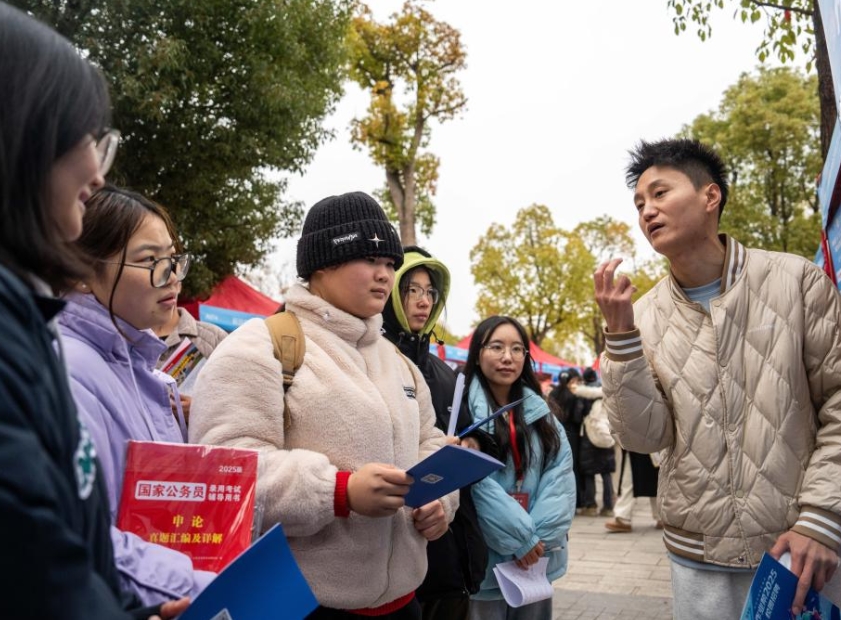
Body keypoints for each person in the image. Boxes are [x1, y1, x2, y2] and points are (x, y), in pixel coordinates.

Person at [593, 137, 841, 618]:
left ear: (711, 197)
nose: (647, 211)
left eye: (661, 193)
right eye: (640, 203)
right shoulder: (642, 315)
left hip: (805, 554)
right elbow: (643, 437)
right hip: (701, 561)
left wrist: (821, 520)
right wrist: (621, 338)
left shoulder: (795, 281)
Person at [0, 5, 186, 618]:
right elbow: (44, 563)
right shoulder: (47, 353)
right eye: (82, 137)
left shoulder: (34, 329)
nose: (96, 170)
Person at [190, 191, 456, 619]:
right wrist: (338, 491)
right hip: (301, 605)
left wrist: (440, 502)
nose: (384, 275)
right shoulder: (260, 347)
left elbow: (430, 441)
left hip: (405, 603)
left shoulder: (401, 364)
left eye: (389, 263)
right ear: (321, 263)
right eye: (369, 260)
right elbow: (223, 474)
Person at [59, 186, 215, 605]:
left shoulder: (148, 372)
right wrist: (203, 584)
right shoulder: (67, 370)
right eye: (150, 261)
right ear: (82, 271)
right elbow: (82, 534)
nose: (174, 277)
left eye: (173, 259)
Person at [381, 246, 487, 619]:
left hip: (445, 546)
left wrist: (469, 445)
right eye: (412, 289)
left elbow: (477, 437)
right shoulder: (371, 363)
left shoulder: (447, 375)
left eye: (430, 292)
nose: (423, 301)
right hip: (388, 553)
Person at [461, 316, 576, 620]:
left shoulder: (542, 413)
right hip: (486, 560)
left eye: (517, 349)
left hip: (536, 561)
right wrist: (521, 538)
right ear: (478, 353)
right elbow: (474, 482)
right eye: (496, 347)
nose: (507, 357)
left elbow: (560, 477)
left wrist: (537, 540)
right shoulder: (460, 411)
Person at [154, 304, 228, 422]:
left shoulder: (214, 337)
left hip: (203, 438)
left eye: (173, 284)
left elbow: (240, 400)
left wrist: (201, 411)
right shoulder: (123, 344)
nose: (168, 287)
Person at [569, 367, 616, 518]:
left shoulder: (583, 394)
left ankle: (591, 506)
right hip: (605, 432)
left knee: (589, 471)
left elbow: (577, 415)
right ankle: (608, 507)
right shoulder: (606, 391)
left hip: (589, 435)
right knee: (606, 471)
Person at [548, 368, 588, 513]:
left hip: (555, 433)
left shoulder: (553, 394)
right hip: (573, 435)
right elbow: (578, 417)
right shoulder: (573, 396)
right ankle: (577, 502)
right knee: (573, 467)